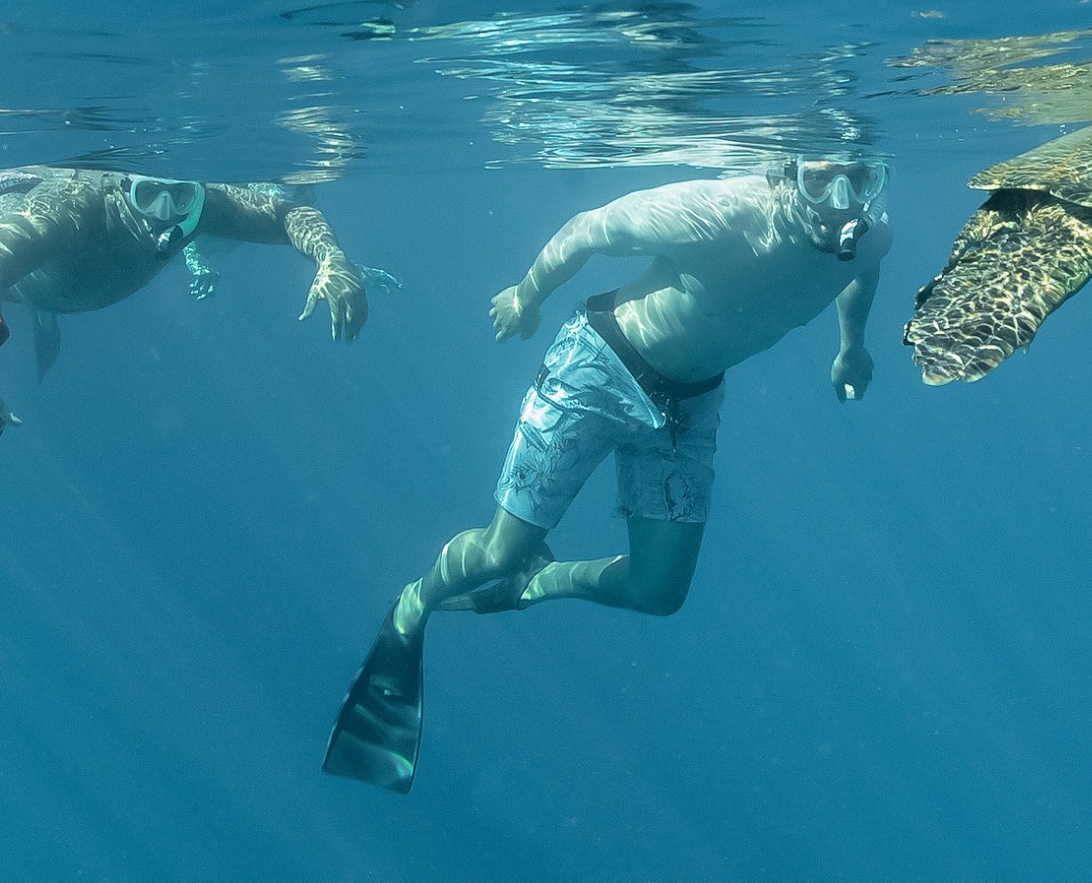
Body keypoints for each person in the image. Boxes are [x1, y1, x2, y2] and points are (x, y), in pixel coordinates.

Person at [324, 156, 891, 793]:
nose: (840, 201)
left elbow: (861, 267)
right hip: (599, 364)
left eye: (859, 182)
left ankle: (538, 583)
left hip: (689, 405)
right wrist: (526, 296)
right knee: (496, 552)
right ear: (784, 174)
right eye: (819, 180)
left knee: (658, 591)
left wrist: (852, 344)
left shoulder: (870, 234)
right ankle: (415, 603)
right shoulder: (717, 214)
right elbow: (589, 228)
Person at [0, 167, 369, 446]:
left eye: (180, 196)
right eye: (147, 194)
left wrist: (332, 260)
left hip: (51, 285)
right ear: (121, 188)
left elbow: (289, 214)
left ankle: (44, 310)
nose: (164, 214)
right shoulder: (74, 207)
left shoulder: (200, 207)